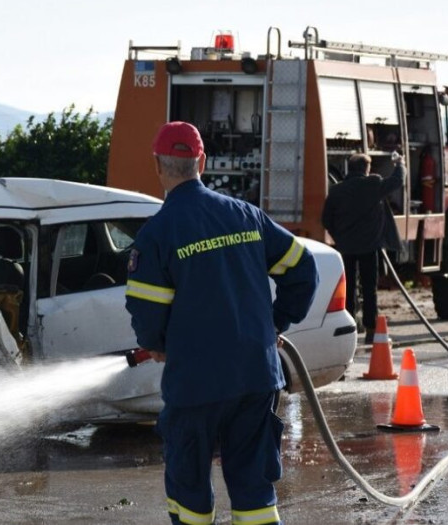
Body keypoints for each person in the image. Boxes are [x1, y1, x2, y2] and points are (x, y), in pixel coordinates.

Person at [125, 121, 318, 525]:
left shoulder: (157, 234)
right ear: (202, 162)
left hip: (195, 383)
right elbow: (304, 271)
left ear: (157, 165)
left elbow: (147, 312)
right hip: (254, 376)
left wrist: (156, 342)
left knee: (190, 493)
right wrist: (275, 324)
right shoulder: (247, 216)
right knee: (255, 495)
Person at [321, 152, 404, 344]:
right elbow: (397, 181)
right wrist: (400, 164)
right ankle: (371, 329)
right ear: (366, 169)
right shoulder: (373, 184)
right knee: (369, 289)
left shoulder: (336, 190)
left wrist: (339, 238)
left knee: (347, 289)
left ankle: (348, 328)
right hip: (369, 247)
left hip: (346, 248)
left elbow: (326, 220)